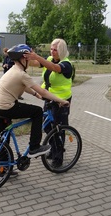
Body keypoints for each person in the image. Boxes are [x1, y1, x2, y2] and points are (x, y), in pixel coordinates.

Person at [0, 44, 69, 159]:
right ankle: (34, 147)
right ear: (22, 59)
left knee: (3, 139)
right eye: (27, 59)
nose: (29, 62)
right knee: (37, 112)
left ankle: (3, 169)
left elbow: (24, 87)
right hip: (6, 107)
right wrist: (61, 100)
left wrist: (35, 95)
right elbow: (43, 91)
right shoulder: (21, 74)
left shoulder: (13, 70)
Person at [24, 38, 73, 167]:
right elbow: (37, 63)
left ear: (61, 50)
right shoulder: (50, 59)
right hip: (49, 98)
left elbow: (54, 68)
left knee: (58, 129)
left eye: (55, 49)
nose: (52, 52)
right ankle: (53, 148)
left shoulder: (66, 64)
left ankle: (58, 157)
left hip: (62, 101)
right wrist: (28, 58)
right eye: (51, 49)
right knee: (46, 126)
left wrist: (38, 57)